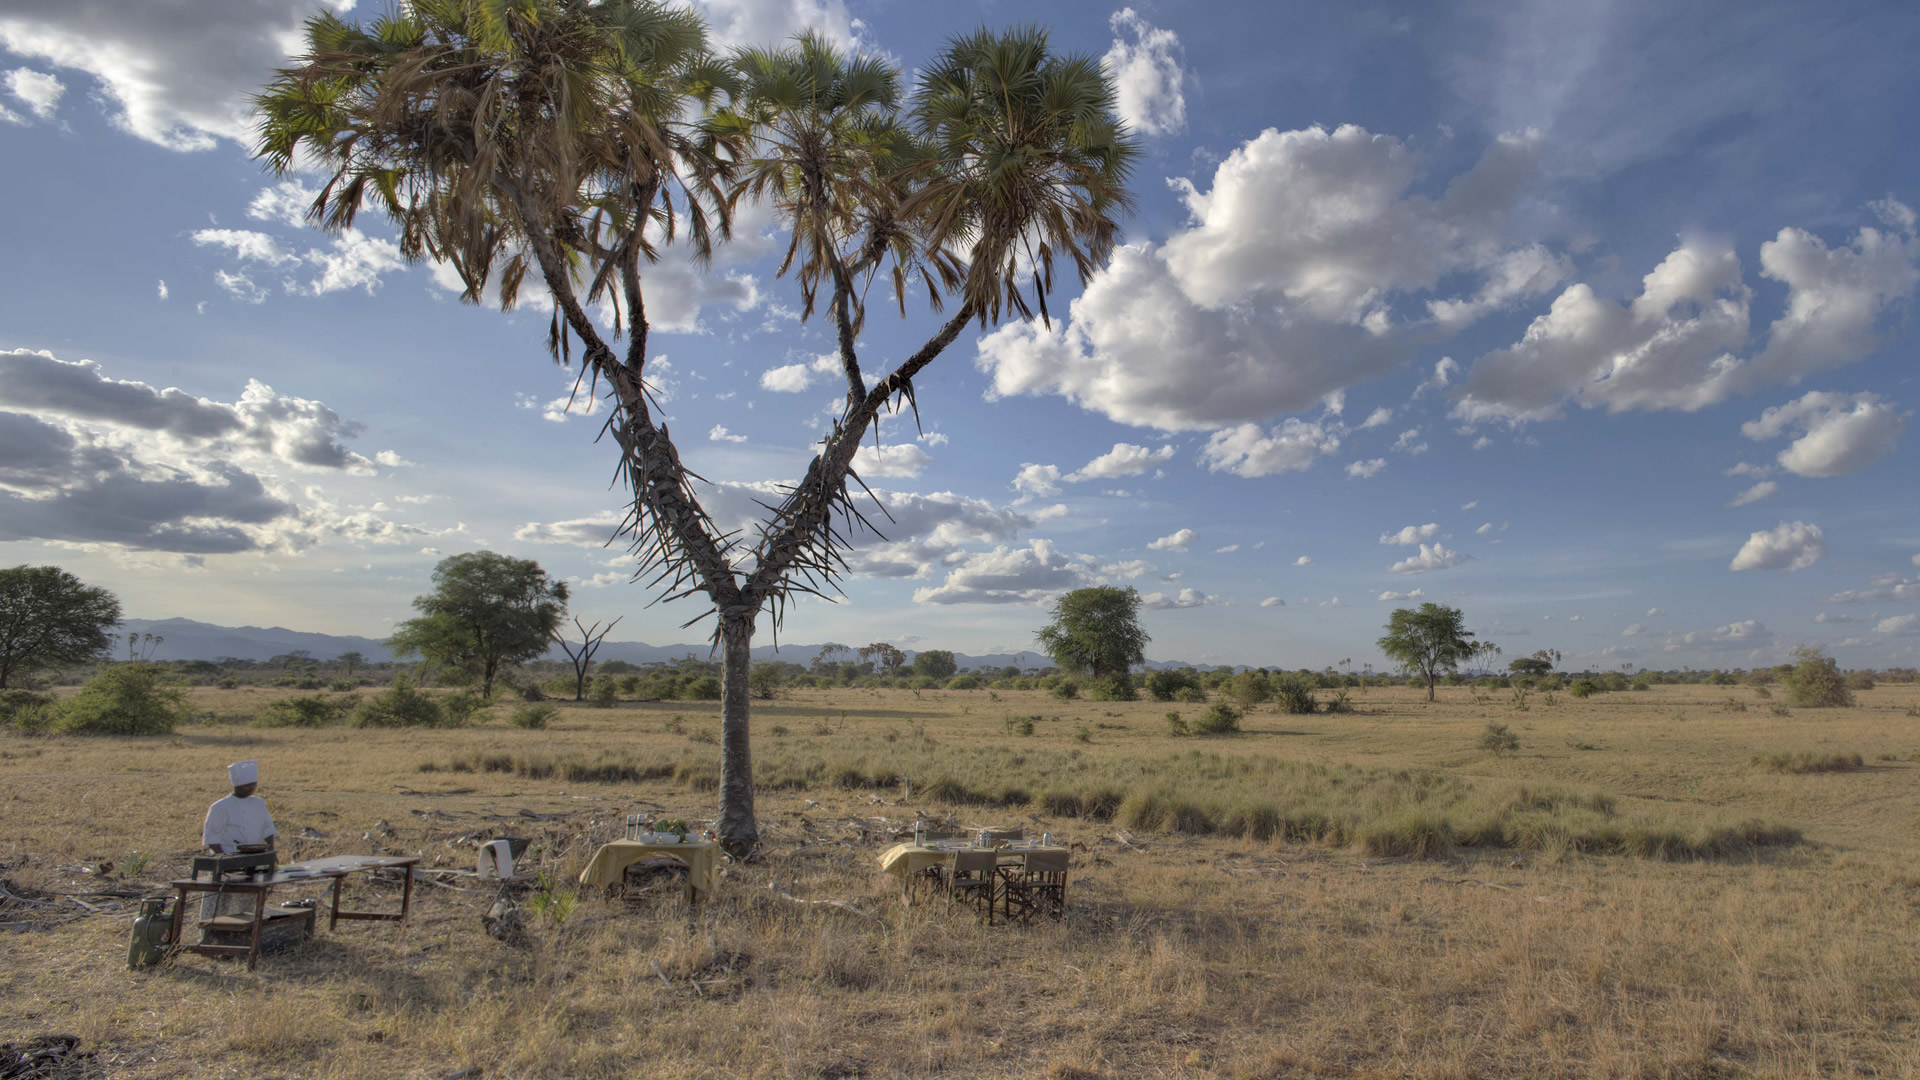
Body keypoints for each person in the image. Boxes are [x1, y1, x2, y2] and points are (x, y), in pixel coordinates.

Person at [203, 759, 276, 856]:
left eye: (254, 784)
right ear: (236, 786)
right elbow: (212, 837)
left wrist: (271, 852)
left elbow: (268, 829)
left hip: (255, 854)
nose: (251, 788)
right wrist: (223, 858)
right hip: (229, 854)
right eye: (247, 785)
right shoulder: (220, 807)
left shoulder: (259, 803)